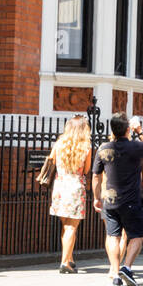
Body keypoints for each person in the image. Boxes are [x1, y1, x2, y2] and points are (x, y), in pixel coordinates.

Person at [91, 114, 143, 286]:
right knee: (136, 236)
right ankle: (127, 267)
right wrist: (140, 131)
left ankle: (115, 272)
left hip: (110, 200)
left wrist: (96, 197)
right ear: (127, 129)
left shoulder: (103, 148)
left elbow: (96, 177)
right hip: (131, 201)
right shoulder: (134, 146)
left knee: (113, 236)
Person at [46, 115, 91, 273]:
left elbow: (51, 160)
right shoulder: (86, 146)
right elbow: (85, 170)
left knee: (66, 226)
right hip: (75, 187)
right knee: (72, 227)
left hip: (60, 186)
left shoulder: (59, 143)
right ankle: (64, 262)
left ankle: (70, 258)